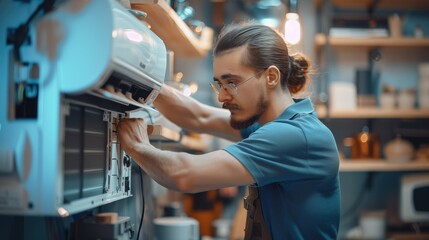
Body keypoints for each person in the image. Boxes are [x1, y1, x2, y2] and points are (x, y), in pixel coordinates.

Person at [117, 22, 340, 239]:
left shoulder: (293, 136)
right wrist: (142, 79)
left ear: (271, 77)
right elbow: (198, 116)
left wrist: (137, 146)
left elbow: (184, 175)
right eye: (219, 85)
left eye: (232, 83)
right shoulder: (275, 124)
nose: (222, 97)